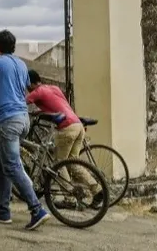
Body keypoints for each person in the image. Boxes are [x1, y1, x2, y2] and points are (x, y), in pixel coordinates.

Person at [0, 29, 51, 231]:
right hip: (23, 119)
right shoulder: (21, 64)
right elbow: (24, 89)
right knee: (1, 164)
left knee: (12, 165)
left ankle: (37, 209)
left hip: (8, 121)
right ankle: (2, 209)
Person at [26, 70, 103, 207]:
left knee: (58, 163)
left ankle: (70, 199)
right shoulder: (53, 88)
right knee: (73, 163)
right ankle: (97, 190)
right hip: (77, 125)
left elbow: (20, 103)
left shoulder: (37, 92)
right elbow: (60, 106)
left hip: (66, 128)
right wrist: (39, 112)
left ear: (30, 83)